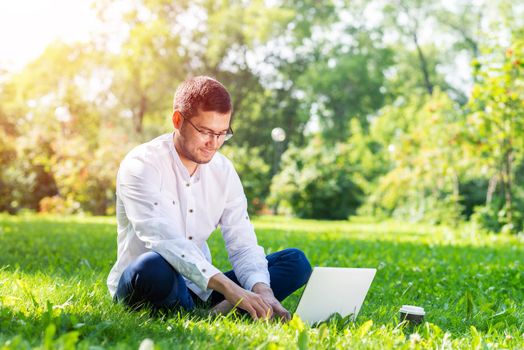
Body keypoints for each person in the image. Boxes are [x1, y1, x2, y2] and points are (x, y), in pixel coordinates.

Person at [107, 76, 312, 321]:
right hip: (150, 283)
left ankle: (212, 312)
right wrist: (233, 291)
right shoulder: (142, 164)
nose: (214, 143)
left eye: (222, 133)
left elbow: (242, 241)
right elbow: (166, 241)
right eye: (205, 131)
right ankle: (217, 312)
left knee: (294, 261)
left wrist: (262, 291)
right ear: (177, 120)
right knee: (152, 266)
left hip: (201, 289)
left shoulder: (223, 171)